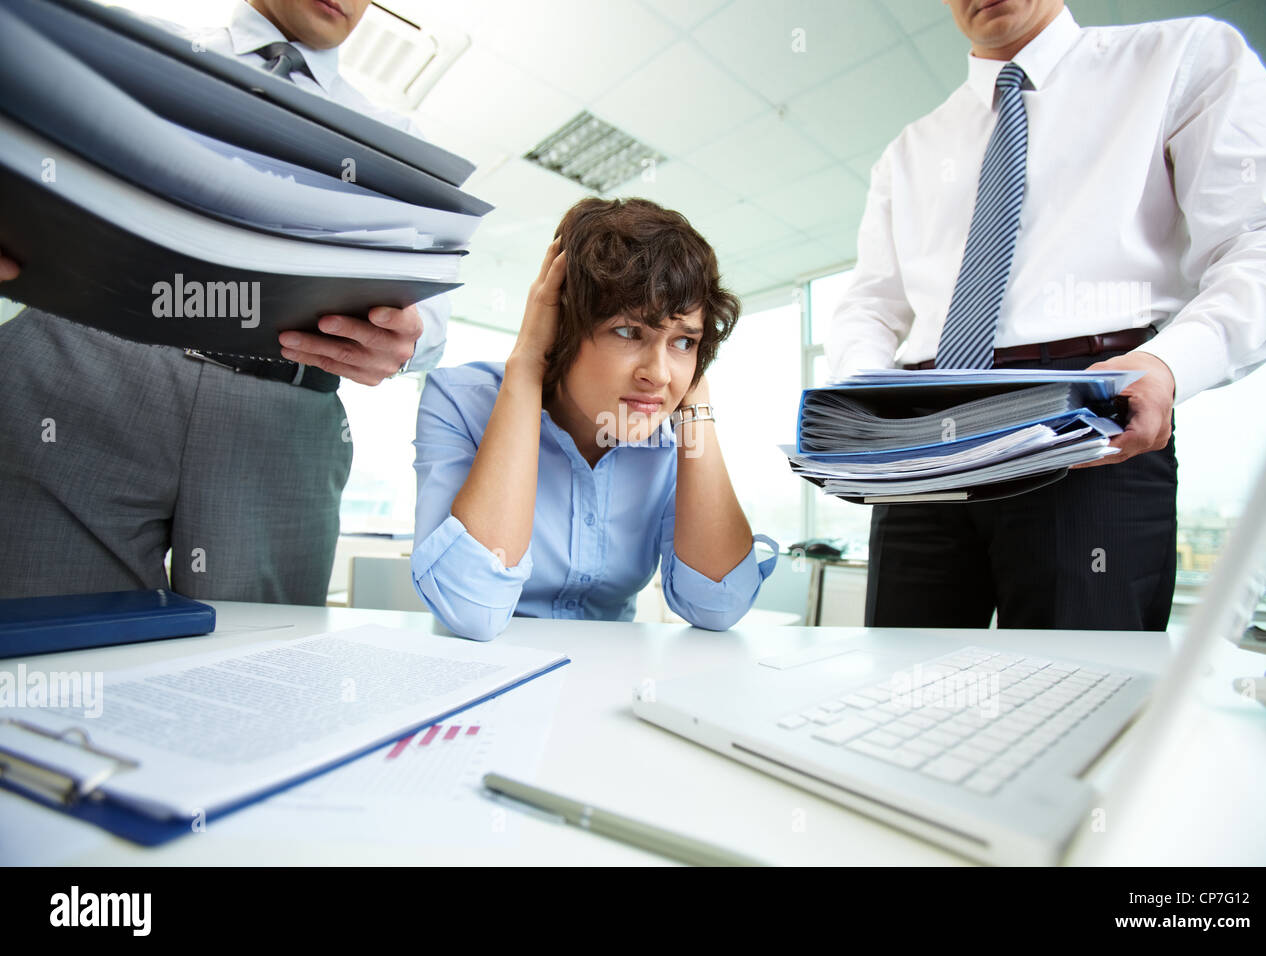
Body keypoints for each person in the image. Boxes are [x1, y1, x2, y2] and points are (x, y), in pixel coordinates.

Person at [827, 0, 1266, 631]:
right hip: (926, 430)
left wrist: (1168, 365)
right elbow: (869, 303)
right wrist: (870, 397)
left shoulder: (1183, 59)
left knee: (1080, 687)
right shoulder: (908, 150)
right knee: (903, 684)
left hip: (1088, 419)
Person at [0, 0, 450, 604]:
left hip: (279, 418)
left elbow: (432, 302)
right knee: (49, 640)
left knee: (263, 667)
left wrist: (410, 338)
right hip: (81, 372)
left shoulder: (397, 139)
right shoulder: (121, 48)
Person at [411, 197, 777, 640]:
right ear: (562, 327)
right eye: (628, 332)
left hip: (611, 684)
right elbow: (472, 610)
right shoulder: (458, 402)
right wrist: (527, 365)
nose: (658, 374)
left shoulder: (669, 437)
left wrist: (695, 407)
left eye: (684, 341)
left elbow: (718, 606)